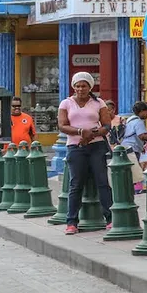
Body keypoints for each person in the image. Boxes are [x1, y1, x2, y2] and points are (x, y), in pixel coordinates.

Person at [57, 72, 113, 235]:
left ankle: (109, 218)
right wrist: (81, 132)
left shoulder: (98, 102)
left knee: (102, 181)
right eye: (78, 86)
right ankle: (72, 222)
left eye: (84, 85)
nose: (81, 89)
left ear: (90, 87)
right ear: (73, 87)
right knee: (76, 184)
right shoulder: (66, 103)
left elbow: (107, 125)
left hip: (97, 146)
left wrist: (91, 136)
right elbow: (62, 125)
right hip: (75, 148)